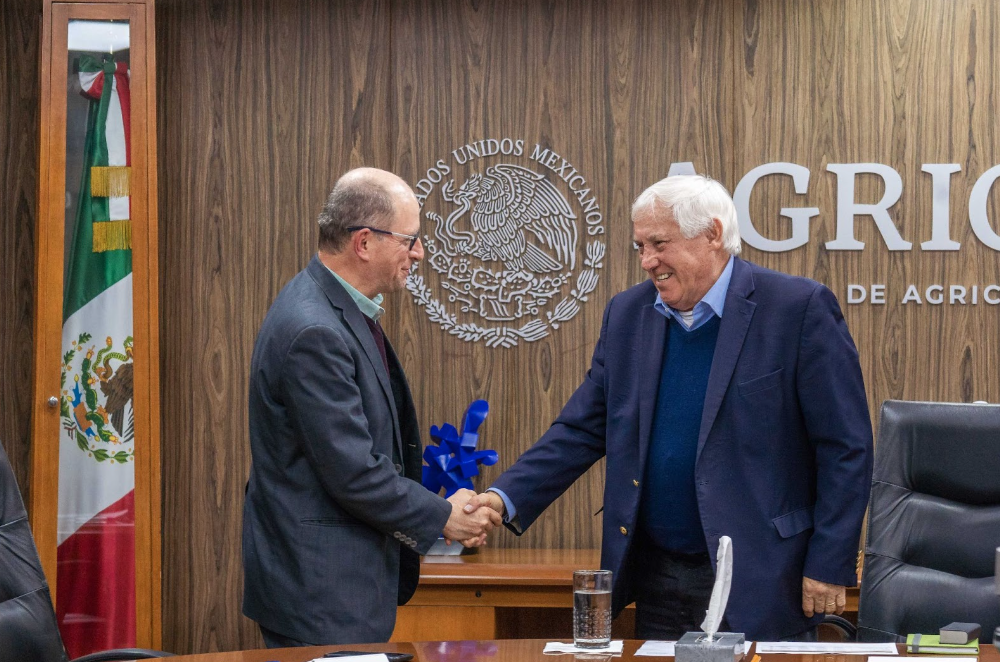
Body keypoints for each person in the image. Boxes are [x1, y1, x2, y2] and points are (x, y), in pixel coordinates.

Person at [481, 174, 874, 641]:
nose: (647, 261)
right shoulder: (627, 313)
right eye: (640, 247)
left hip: (763, 574)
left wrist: (829, 560)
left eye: (659, 244)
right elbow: (581, 428)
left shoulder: (797, 307)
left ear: (712, 234)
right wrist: (502, 498)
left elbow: (845, 446)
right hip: (657, 575)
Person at [242, 167, 501, 647]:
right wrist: (441, 515)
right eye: (410, 240)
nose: (419, 253)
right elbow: (353, 472)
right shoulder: (315, 330)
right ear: (364, 242)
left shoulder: (332, 306)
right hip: (321, 593)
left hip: (333, 585)